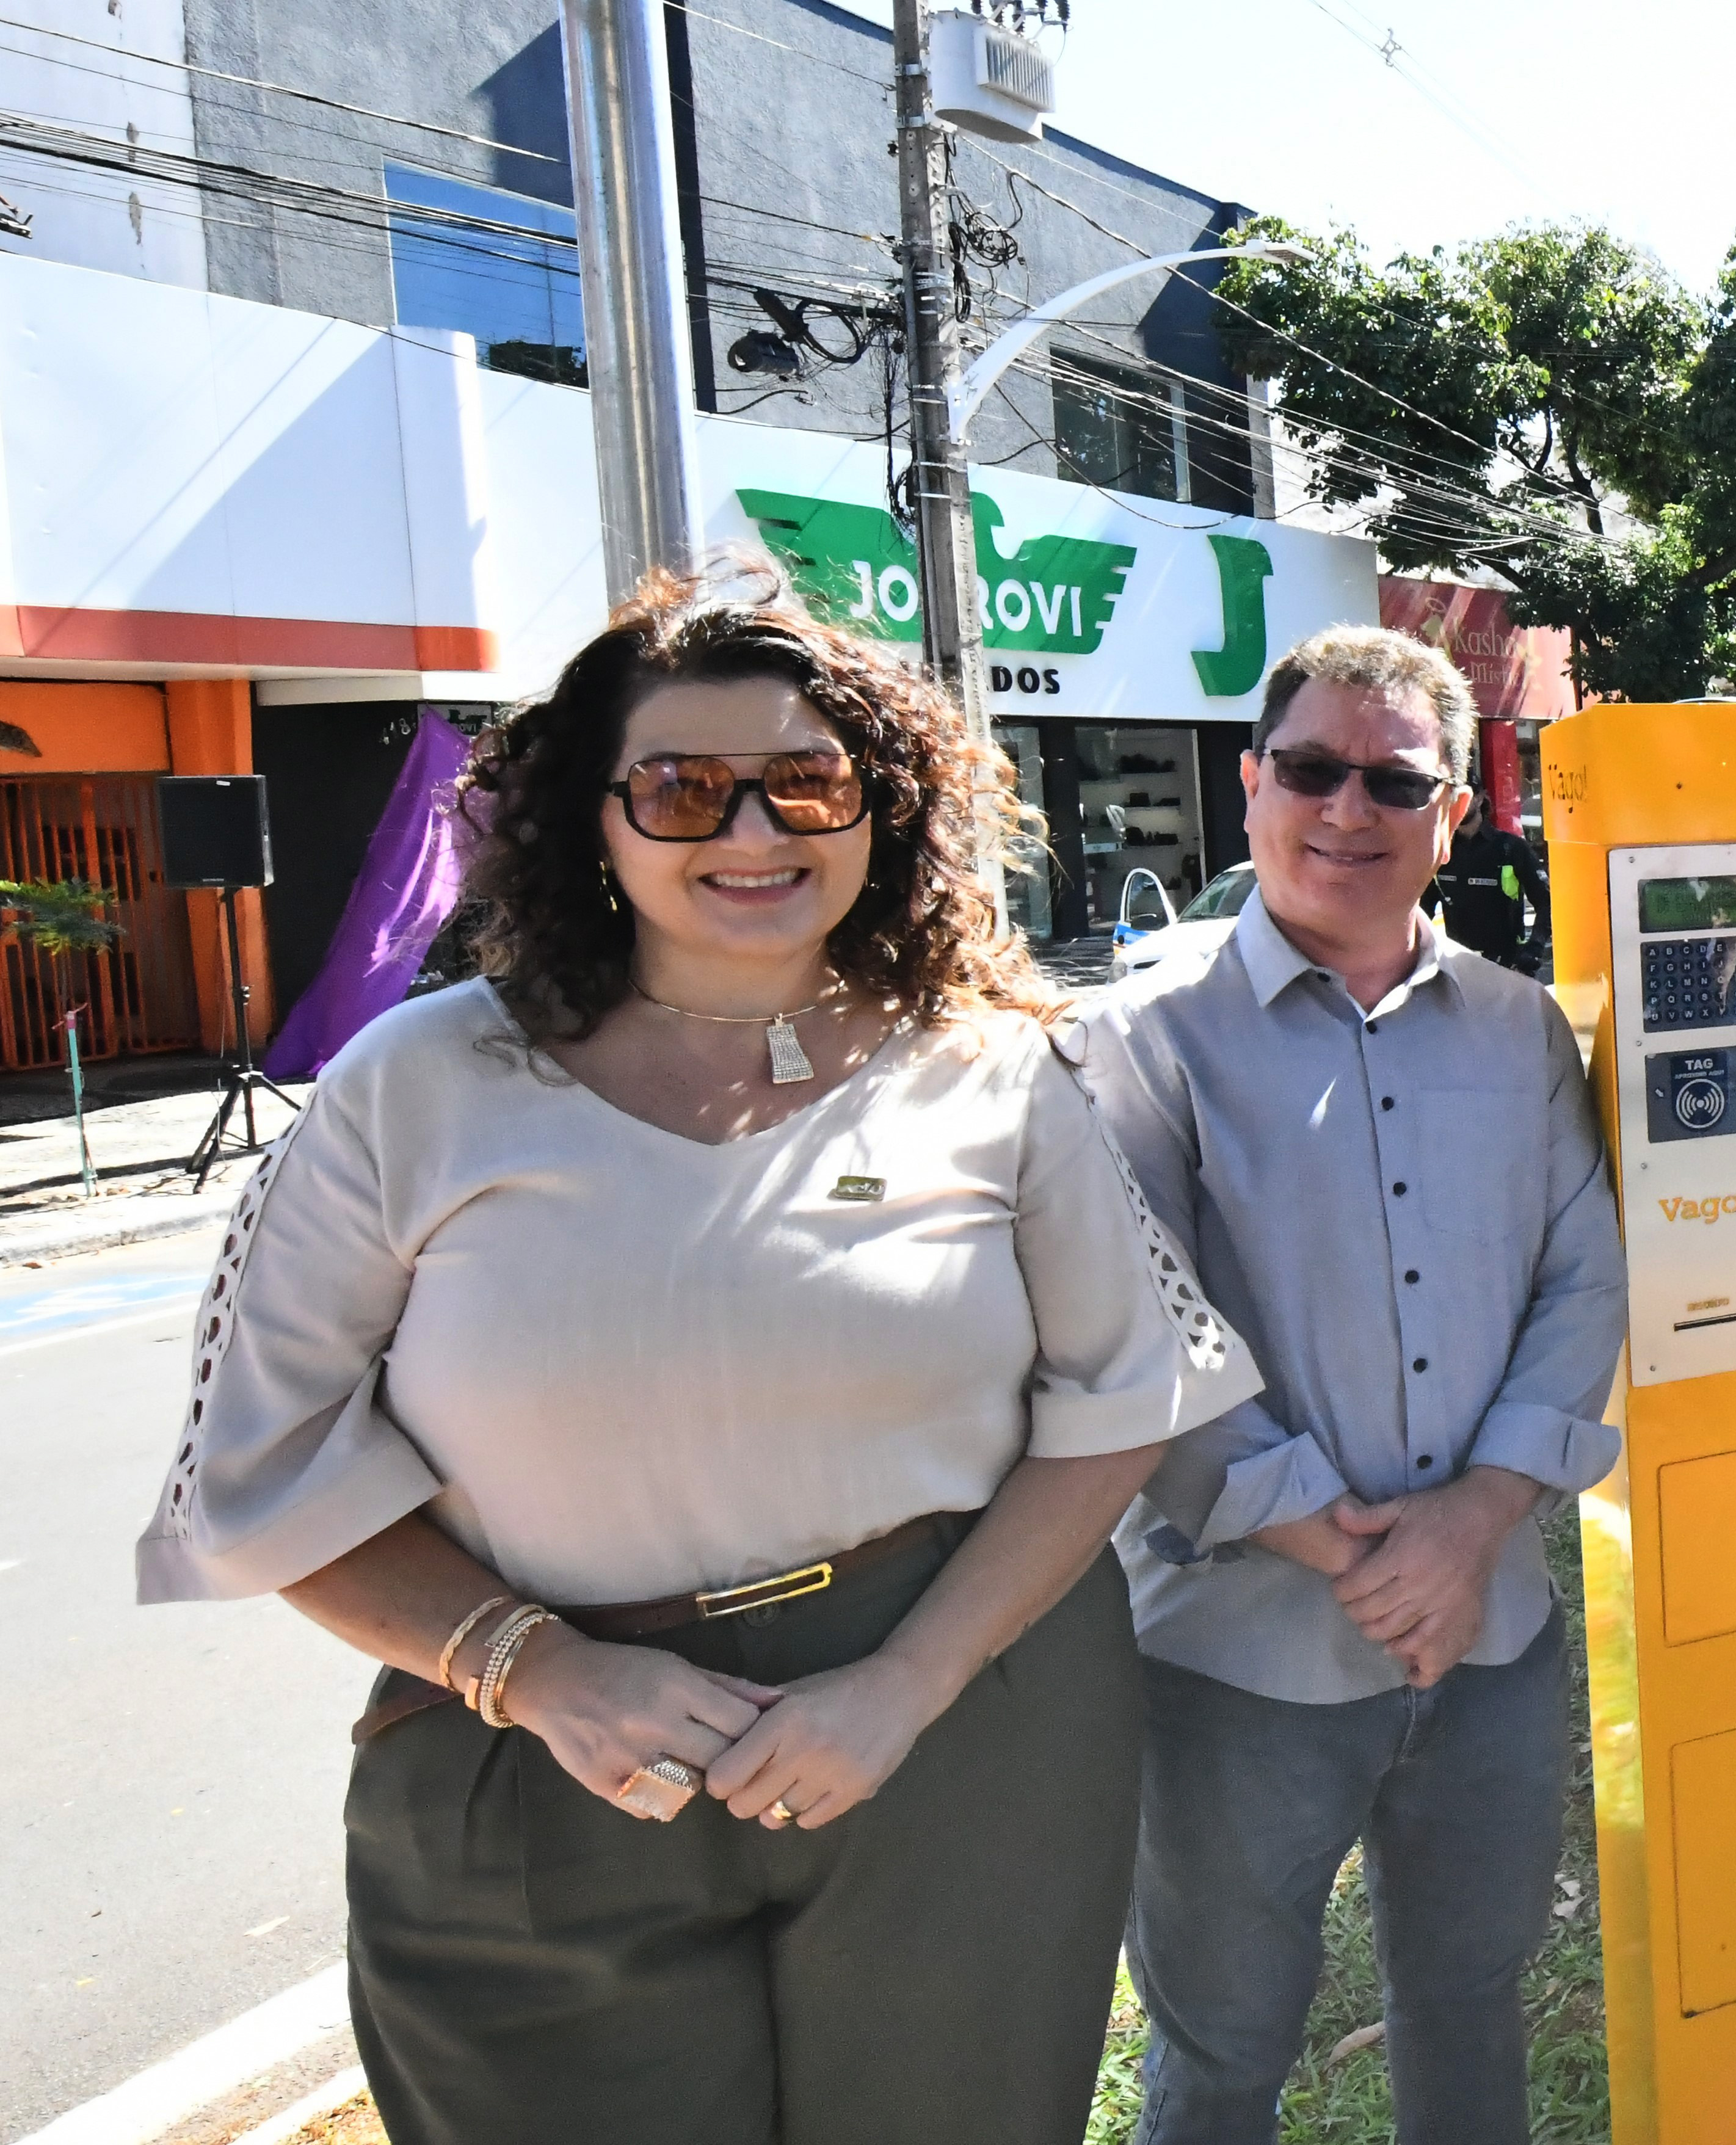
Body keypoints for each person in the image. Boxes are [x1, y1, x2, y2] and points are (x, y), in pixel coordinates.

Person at [133, 573, 1252, 2145]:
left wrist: (905, 1682)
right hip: (543, 1755)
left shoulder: (993, 1059)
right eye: (680, 787)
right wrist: (541, 1669)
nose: (750, 831)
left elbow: (1125, 1393)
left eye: (805, 781)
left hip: (960, 1726)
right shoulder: (421, 1080)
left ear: (882, 807)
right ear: (592, 818)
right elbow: (258, 1472)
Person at [1072, 623, 1624, 2145]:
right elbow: (1135, 1327)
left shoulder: (1521, 1032)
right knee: (1222, 2044)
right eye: (1312, 769)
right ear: (1251, 786)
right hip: (1234, 1656)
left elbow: (1587, 1278)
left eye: (1394, 781)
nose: (1347, 810)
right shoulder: (1134, 1039)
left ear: (1452, 814)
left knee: (1471, 1997)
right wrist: (1353, 1546)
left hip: (1490, 1635)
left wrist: (1475, 1521)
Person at [1428, 791, 1546, 975]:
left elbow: (1546, 903)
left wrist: (1534, 950)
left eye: (1462, 796)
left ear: (1480, 798)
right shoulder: (1441, 852)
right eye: (1450, 796)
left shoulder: (1510, 848)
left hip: (1509, 968)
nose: (1455, 802)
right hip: (1458, 968)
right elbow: (1422, 908)